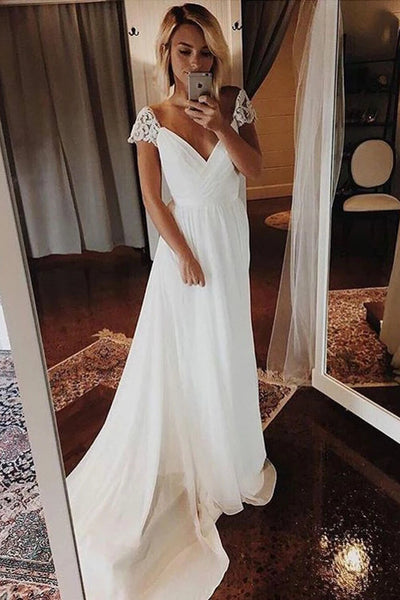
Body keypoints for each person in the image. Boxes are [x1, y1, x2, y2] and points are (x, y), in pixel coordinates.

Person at [66, 3, 277, 599]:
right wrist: (181, 253)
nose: (196, 62)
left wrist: (223, 126)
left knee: (227, 346)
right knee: (190, 356)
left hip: (228, 245)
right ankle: (198, 454)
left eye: (205, 51)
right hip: (184, 255)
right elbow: (153, 201)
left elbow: (255, 170)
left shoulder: (233, 101)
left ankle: (232, 453)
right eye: (184, 51)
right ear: (167, 54)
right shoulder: (152, 119)